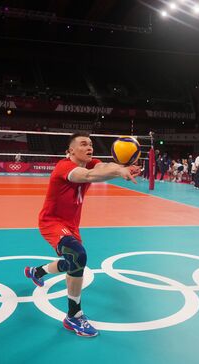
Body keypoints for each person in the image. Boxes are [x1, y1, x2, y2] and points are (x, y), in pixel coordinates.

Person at [24, 132, 141, 337]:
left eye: (91, 144)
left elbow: (103, 167)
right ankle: (74, 316)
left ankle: (37, 272)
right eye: (84, 144)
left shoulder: (90, 162)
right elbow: (88, 176)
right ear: (70, 150)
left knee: (72, 262)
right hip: (52, 222)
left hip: (71, 225)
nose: (90, 147)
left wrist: (121, 168)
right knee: (78, 255)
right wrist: (120, 171)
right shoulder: (65, 167)